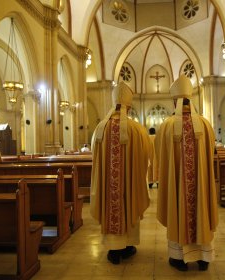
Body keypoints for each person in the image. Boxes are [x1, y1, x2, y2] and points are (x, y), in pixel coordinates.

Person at [155, 75, 218, 272]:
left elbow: (160, 157)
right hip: (200, 184)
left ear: (175, 101)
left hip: (176, 187)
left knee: (178, 208)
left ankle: (178, 257)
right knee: (200, 207)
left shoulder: (166, 125)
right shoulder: (206, 124)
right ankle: (203, 258)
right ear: (190, 99)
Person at [90, 82, 151, 265]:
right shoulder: (137, 129)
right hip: (129, 187)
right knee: (128, 203)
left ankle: (113, 249)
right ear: (129, 106)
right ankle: (128, 245)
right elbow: (146, 157)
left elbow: (95, 155)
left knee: (112, 206)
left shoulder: (100, 128)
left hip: (108, 188)